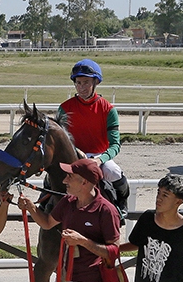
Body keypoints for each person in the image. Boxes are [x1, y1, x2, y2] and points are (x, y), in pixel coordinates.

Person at [55, 58, 130, 218]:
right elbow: (61, 141)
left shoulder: (108, 109)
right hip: (73, 155)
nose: (81, 87)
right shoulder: (64, 108)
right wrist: (76, 152)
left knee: (113, 171)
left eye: (86, 82)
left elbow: (115, 145)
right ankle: (44, 203)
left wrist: (100, 160)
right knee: (53, 173)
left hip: (98, 157)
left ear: (96, 82)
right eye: (78, 83)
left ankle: (121, 204)